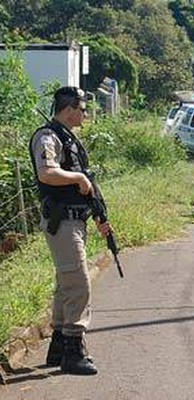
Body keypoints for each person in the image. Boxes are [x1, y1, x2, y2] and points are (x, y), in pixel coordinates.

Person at [29, 87, 111, 375]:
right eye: (82, 108)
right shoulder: (48, 136)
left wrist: (100, 217)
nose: (85, 114)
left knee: (66, 284)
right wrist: (77, 177)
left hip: (75, 221)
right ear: (68, 109)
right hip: (61, 222)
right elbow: (46, 173)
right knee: (79, 284)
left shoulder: (67, 137)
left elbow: (85, 182)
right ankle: (74, 353)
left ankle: (59, 347)